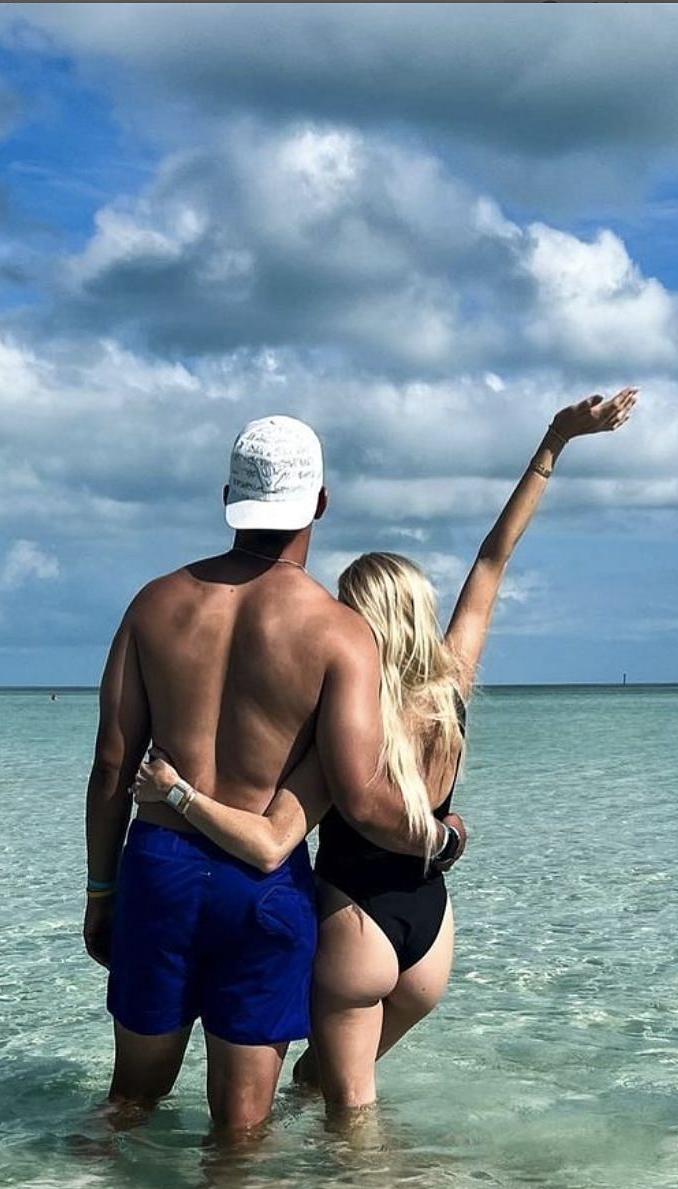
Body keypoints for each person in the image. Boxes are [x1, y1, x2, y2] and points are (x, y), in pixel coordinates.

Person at [134, 388, 638, 1114]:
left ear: (357, 624)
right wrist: (553, 444)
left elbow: (283, 834)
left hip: (355, 922)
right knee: (320, 1090)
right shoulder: (452, 688)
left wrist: (178, 791)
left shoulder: (349, 716)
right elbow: (493, 561)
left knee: (352, 1122)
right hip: (431, 928)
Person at [84, 415, 467, 1135]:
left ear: (229, 495)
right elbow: (358, 795)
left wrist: (101, 890)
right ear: (319, 503)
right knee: (241, 1136)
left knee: (128, 1104)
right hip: (260, 886)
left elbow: (112, 763)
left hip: (159, 866)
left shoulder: (153, 604)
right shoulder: (337, 631)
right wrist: (439, 838)